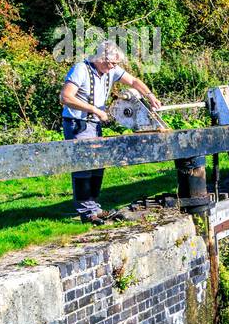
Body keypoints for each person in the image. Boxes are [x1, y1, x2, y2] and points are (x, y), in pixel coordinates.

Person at [59, 40, 162, 223]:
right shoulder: (80, 69)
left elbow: (134, 81)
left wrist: (150, 95)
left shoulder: (110, 70)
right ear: (100, 57)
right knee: (84, 166)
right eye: (111, 63)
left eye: (116, 64)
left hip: (94, 123)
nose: (114, 67)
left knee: (98, 164)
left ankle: (94, 207)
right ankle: (86, 213)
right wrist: (95, 110)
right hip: (78, 123)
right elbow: (65, 97)